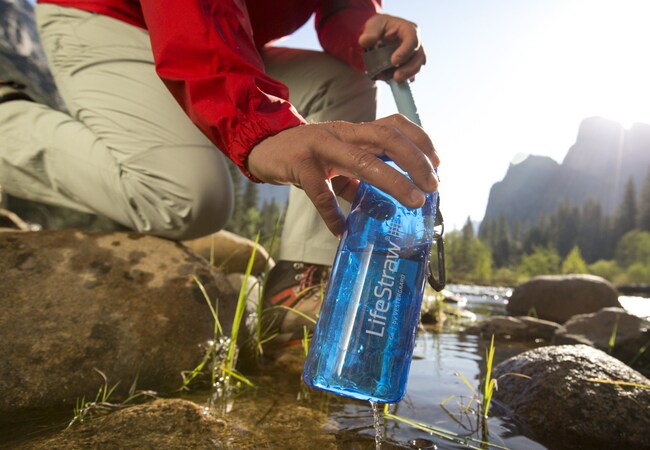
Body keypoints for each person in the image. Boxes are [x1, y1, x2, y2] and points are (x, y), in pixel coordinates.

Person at [0, 1, 439, 344]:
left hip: (227, 33)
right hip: (113, 17)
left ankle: (299, 287)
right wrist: (259, 125)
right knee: (188, 198)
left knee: (341, 81)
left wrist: (363, 27)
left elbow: (339, 4)